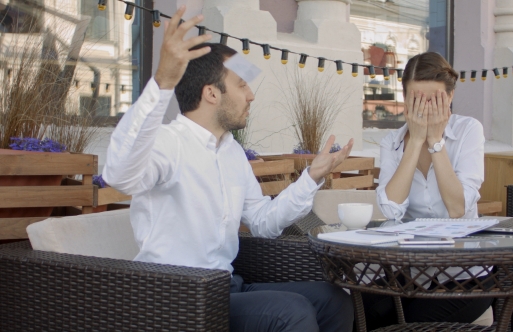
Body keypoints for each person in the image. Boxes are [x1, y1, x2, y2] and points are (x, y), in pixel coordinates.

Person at [103, 7, 354, 332]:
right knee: (290, 311)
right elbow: (119, 174)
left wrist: (312, 177)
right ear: (211, 93)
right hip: (176, 297)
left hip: (225, 288)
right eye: (241, 85)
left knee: (335, 299)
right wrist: (163, 81)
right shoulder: (169, 143)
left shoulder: (232, 151)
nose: (251, 95)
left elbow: (263, 222)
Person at [363, 52, 492, 329]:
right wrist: (416, 140)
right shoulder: (392, 142)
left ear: (450, 97)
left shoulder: (468, 130)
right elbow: (391, 208)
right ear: (405, 99)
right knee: (362, 311)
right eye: (417, 99)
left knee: (411, 323)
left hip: (467, 273)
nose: (425, 108)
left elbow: (458, 209)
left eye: (433, 100)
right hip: (413, 272)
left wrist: (435, 141)